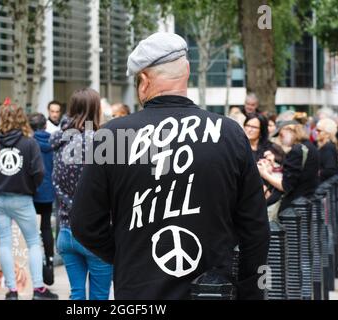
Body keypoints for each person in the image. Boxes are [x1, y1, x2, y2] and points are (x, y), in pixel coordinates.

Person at [70, 32, 270, 300]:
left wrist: (127, 256)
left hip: (139, 290)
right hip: (212, 289)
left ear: (143, 81)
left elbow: (84, 223)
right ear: (186, 72)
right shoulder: (229, 133)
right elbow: (255, 227)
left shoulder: (113, 136)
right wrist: (248, 290)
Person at [0, 104, 58, 300]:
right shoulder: (29, 144)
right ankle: (38, 289)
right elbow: (38, 172)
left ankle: (12, 291)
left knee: (4, 243)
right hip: (22, 197)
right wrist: (31, 187)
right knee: (33, 242)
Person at [51, 88, 113, 300]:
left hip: (66, 230)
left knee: (77, 295)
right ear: (94, 110)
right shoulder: (99, 141)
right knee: (99, 296)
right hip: (96, 234)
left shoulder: (60, 141)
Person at [258, 120, 319, 212]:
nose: (280, 139)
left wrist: (264, 174)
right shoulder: (308, 146)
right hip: (305, 201)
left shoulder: (297, 150)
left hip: (295, 205)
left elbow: (285, 186)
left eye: (281, 135)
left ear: (290, 130)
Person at [29, 113, 56, 286]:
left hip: (32, 190)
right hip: (48, 191)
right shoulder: (54, 142)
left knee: (31, 231)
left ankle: (35, 264)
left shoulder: (29, 142)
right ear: (46, 125)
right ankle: (50, 260)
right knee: (46, 226)